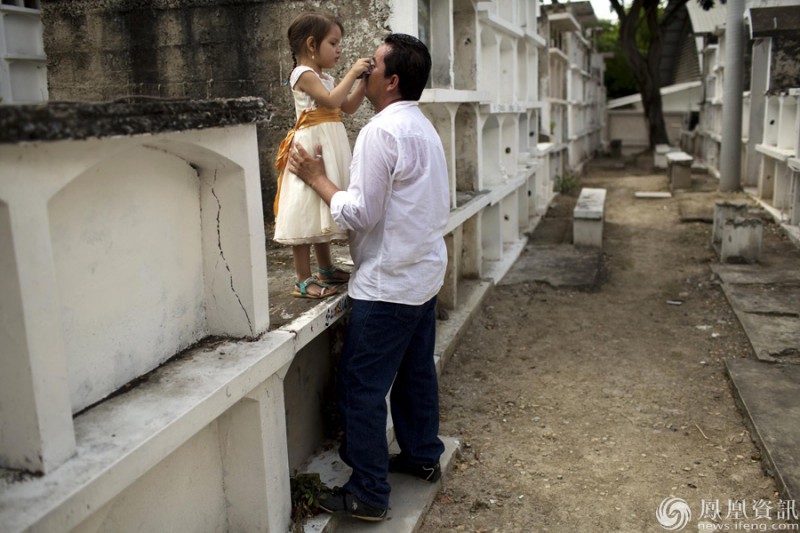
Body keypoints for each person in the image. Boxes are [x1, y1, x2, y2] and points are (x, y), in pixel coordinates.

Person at [287, 33, 450, 522]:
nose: (363, 69)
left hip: (389, 286)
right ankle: (422, 457)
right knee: (416, 374)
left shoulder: (381, 132)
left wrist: (317, 179)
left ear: (392, 80)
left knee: (361, 386)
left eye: (373, 65)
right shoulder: (422, 127)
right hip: (422, 273)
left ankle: (369, 494)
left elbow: (360, 213)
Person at [273, 11, 374, 299]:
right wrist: (352, 73)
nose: (339, 49)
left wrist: (362, 83)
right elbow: (330, 101)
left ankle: (326, 268)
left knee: (322, 206)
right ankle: (302, 279)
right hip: (310, 147)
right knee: (305, 206)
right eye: (333, 43)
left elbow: (347, 106)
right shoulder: (302, 74)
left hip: (328, 145)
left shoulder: (325, 78)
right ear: (311, 44)